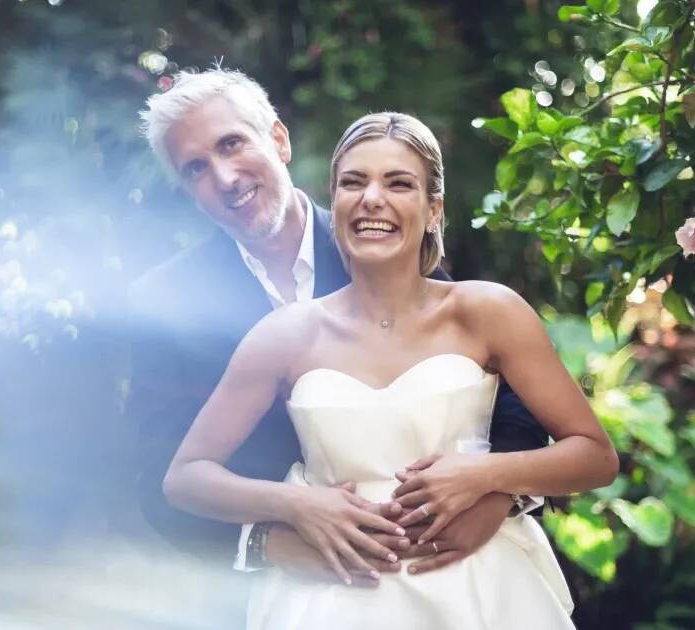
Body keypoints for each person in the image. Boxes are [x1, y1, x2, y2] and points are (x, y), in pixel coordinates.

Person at [162, 110, 619, 628]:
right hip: (330, 597)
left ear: (433, 210)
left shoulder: (489, 311)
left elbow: (595, 456)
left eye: (398, 183)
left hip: (480, 588)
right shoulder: (282, 336)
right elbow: (186, 478)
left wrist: (488, 477)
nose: (371, 199)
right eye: (352, 183)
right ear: (333, 203)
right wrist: (296, 507)